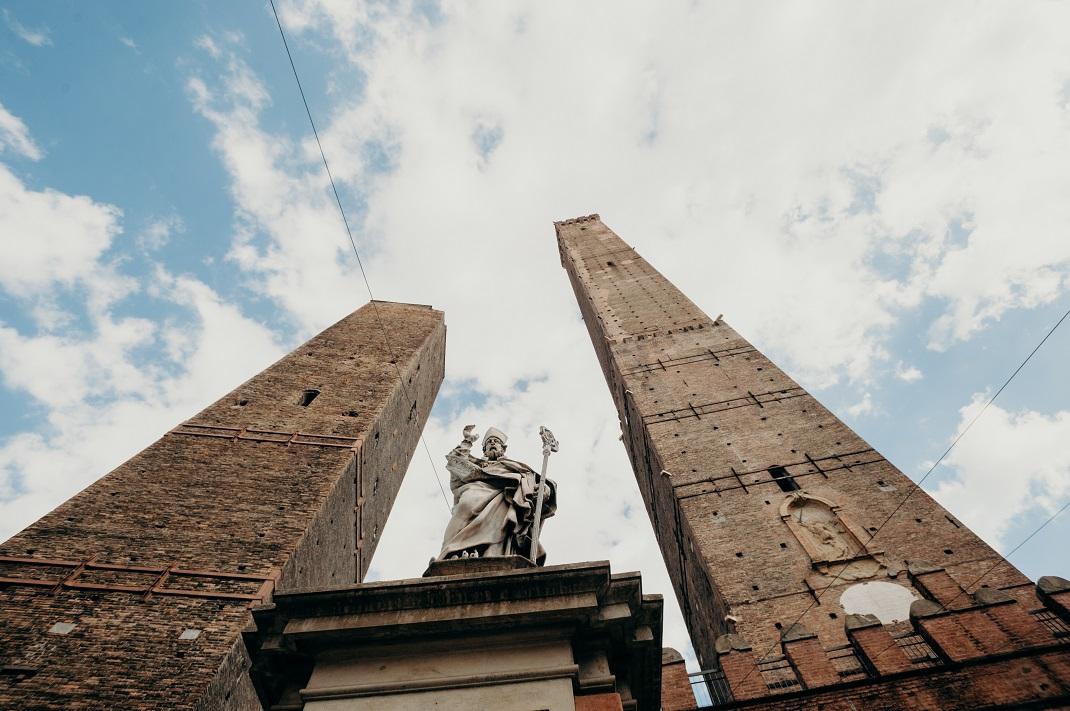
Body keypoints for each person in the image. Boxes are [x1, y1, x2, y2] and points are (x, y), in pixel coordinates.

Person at [436, 425, 556, 564]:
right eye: (489, 442)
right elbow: (455, 462)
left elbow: (531, 478)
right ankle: (451, 552)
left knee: (507, 504)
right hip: (476, 488)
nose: (492, 443)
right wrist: (467, 442)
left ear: (503, 448)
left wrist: (544, 487)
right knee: (466, 504)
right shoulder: (477, 465)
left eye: (496, 441)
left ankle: (490, 553)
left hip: (504, 494)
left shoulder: (514, 467)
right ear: (484, 450)